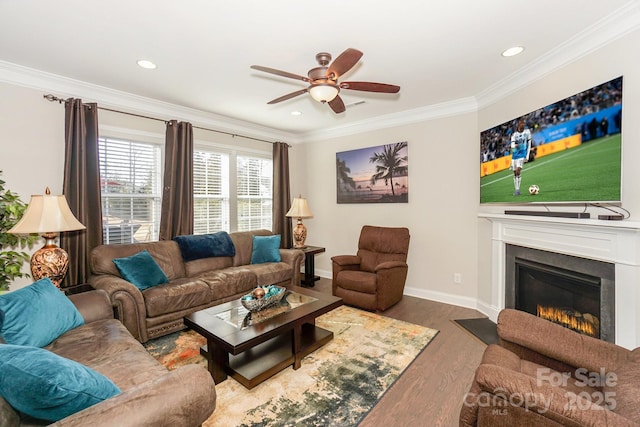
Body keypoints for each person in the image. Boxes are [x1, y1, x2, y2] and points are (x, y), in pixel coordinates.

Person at [510, 119, 531, 195]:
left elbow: (529, 144)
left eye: (524, 123)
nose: (523, 124)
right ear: (518, 124)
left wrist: (527, 156)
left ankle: (517, 190)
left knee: (518, 170)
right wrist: (514, 145)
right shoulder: (514, 134)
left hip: (522, 154)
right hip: (515, 155)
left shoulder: (527, 132)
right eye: (521, 123)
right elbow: (512, 144)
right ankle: (517, 190)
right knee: (515, 173)